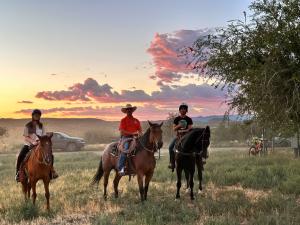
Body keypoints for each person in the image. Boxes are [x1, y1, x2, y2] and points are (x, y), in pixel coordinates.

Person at [15, 109, 58, 181]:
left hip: (40, 144)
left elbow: (43, 136)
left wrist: (40, 141)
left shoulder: (41, 126)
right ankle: (18, 174)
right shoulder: (28, 125)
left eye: (38, 115)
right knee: (20, 156)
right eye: (35, 115)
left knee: (51, 155)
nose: (37, 116)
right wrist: (33, 141)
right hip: (28, 145)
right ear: (32, 116)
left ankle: (51, 172)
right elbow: (26, 136)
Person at [118, 104, 142, 176]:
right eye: (127, 110)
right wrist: (132, 133)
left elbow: (140, 129)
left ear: (132, 111)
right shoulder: (123, 120)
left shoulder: (136, 120)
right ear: (126, 111)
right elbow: (122, 131)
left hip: (136, 137)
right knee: (125, 150)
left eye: (130, 109)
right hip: (126, 138)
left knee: (143, 147)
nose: (129, 111)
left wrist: (140, 133)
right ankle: (121, 168)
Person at [168, 103, 193, 170]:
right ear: (179, 110)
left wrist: (183, 131)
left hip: (187, 137)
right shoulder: (176, 119)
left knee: (195, 146)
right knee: (170, 147)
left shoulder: (189, 119)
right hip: (178, 137)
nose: (183, 110)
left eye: (184, 109)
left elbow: (190, 129)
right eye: (181, 109)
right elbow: (174, 129)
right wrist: (179, 126)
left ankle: (199, 160)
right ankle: (172, 163)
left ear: (186, 111)